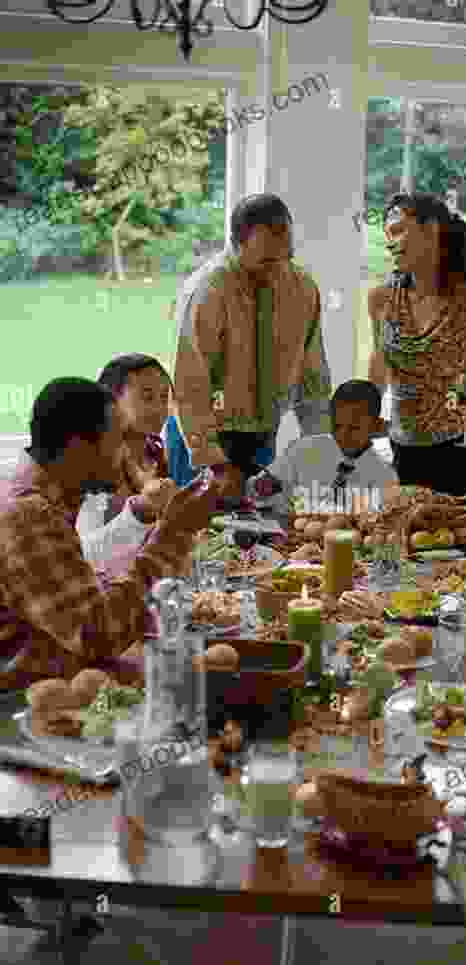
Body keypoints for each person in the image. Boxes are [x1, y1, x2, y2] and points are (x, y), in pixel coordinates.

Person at [0, 378, 222, 691]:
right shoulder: (29, 515)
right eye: (117, 441)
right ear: (78, 447)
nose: (126, 456)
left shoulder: (43, 497)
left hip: (70, 675)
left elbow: (86, 606)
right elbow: (98, 635)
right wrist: (174, 533)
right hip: (27, 705)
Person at [172, 193, 332, 489]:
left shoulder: (303, 289)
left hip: (262, 436)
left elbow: (313, 373)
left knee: (259, 525)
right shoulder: (208, 290)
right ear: (236, 245)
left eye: (286, 256)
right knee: (198, 530)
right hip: (200, 436)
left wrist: (321, 445)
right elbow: (190, 381)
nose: (278, 270)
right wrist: (214, 461)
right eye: (267, 261)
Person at [367, 193, 466, 521]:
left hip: (463, 453)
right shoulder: (381, 299)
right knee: (405, 551)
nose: (391, 243)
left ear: (432, 231)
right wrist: (367, 408)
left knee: (460, 558)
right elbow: (380, 361)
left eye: (400, 231)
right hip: (404, 452)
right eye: (388, 235)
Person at [76, 354, 176, 571]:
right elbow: (84, 557)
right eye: (147, 398)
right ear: (111, 402)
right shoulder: (93, 464)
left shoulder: (156, 454)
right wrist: (139, 514)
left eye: (164, 397)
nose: (160, 409)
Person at [248, 379, 398, 515]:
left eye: (354, 428)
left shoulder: (384, 478)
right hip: (291, 533)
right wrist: (260, 487)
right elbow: (260, 490)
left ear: (376, 426)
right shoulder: (304, 449)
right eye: (337, 426)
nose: (343, 435)